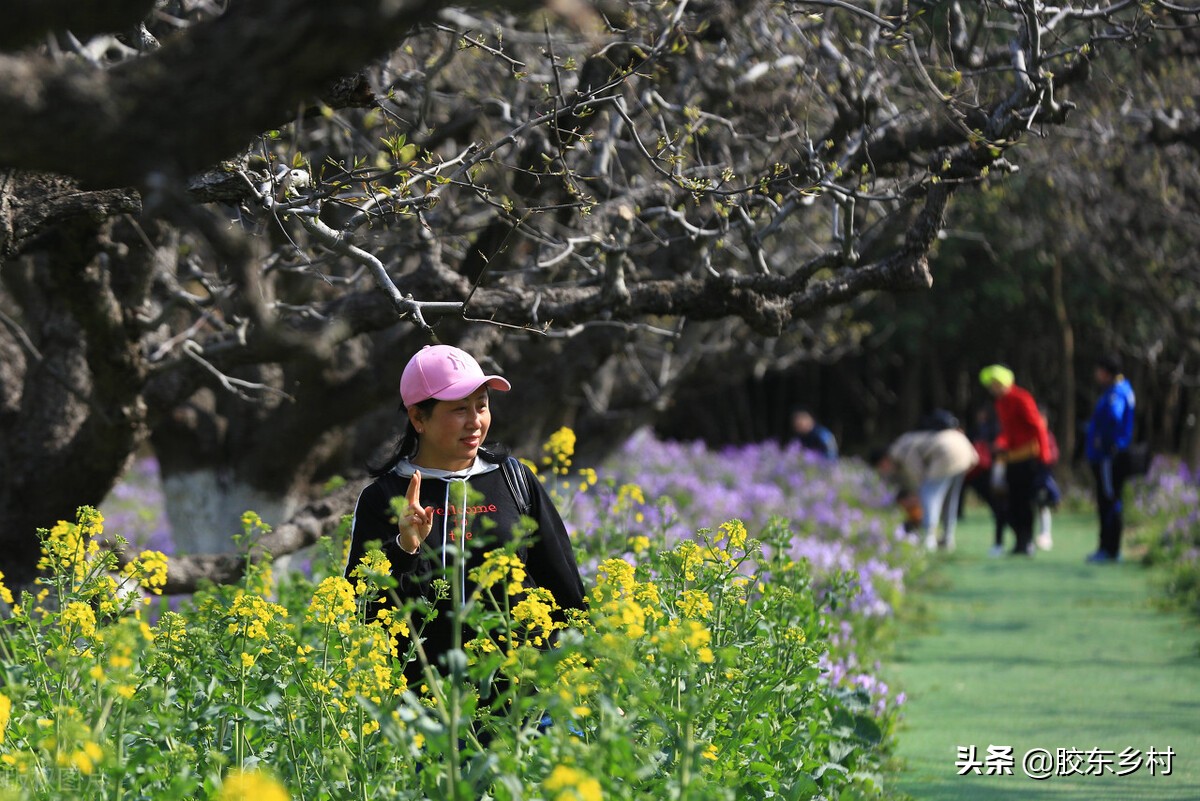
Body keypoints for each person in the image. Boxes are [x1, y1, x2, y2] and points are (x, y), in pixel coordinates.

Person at [344, 344, 586, 684]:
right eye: (459, 410)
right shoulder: (384, 497)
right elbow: (362, 608)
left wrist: (590, 677)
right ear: (418, 418)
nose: (475, 422)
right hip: (429, 702)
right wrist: (403, 549)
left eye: (482, 406)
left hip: (525, 696)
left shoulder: (514, 479)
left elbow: (564, 586)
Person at [979, 365, 1053, 556]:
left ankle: (1027, 541)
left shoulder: (1021, 398)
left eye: (994, 384)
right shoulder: (1001, 403)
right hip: (1011, 458)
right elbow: (1009, 432)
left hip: (1029, 457)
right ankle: (1020, 542)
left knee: (1027, 501)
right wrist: (1000, 442)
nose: (992, 388)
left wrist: (1044, 455)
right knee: (1013, 501)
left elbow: (1038, 427)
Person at [875, 424, 979, 552]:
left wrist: (917, 494)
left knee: (928, 496)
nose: (884, 471)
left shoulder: (899, 450)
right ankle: (947, 538)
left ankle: (928, 539)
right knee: (950, 500)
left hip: (946, 451)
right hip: (963, 447)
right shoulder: (908, 441)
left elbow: (918, 474)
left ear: (883, 459)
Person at [1084, 354, 1136, 563]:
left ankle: (1109, 549)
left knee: (1109, 500)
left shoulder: (1116, 392)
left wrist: (1102, 441)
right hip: (1110, 455)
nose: (1096, 374)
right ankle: (1109, 549)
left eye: (1098, 370)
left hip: (1109, 457)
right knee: (1110, 499)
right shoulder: (1121, 389)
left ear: (1105, 371)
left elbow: (1115, 417)